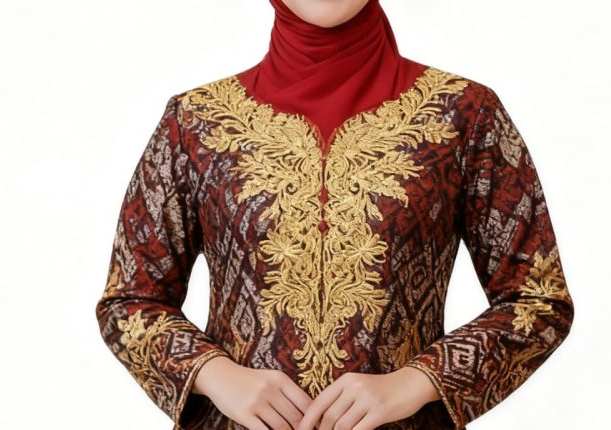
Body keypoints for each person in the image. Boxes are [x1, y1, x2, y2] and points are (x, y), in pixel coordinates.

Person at [94, 0, 576, 429]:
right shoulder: (195, 121)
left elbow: (538, 302)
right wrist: (215, 375)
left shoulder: (463, 114)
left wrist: (416, 382)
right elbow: (129, 301)